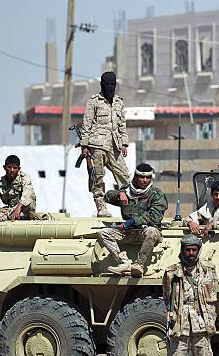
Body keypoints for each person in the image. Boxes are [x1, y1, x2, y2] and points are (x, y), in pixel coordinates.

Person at [163, 234, 218, 356]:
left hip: (201, 324)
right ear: (182, 250)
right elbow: (167, 298)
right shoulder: (172, 273)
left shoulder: (209, 270)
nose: (191, 253)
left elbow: (213, 297)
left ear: (198, 250)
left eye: (194, 250)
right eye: (188, 250)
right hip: (180, 324)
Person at [98, 163, 167, 277]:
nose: (145, 180)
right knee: (104, 233)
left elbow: (155, 217)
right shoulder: (127, 191)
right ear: (135, 176)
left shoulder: (156, 194)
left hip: (147, 233)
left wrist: (132, 222)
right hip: (129, 232)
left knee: (151, 231)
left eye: (148, 177)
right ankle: (123, 262)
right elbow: (107, 196)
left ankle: (139, 264)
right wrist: (120, 194)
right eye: (141, 177)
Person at [80, 71, 131, 217]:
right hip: (97, 146)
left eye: (112, 85)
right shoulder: (94, 101)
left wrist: (124, 143)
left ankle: (128, 207)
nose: (110, 87)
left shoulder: (119, 102)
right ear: (102, 85)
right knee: (97, 178)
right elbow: (86, 124)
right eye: (107, 84)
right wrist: (84, 145)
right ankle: (101, 207)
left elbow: (122, 125)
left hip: (114, 146)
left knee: (124, 176)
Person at [0, 155, 37, 224]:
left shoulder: (24, 178)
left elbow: (28, 194)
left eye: (15, 168)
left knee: (28, 203)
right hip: (9, 210)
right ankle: (7, 218)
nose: (12, 170)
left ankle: (13, 217)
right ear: (4, 168)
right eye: (9, 167)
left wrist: (18, 207)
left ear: (19, 169)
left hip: (23, 209)